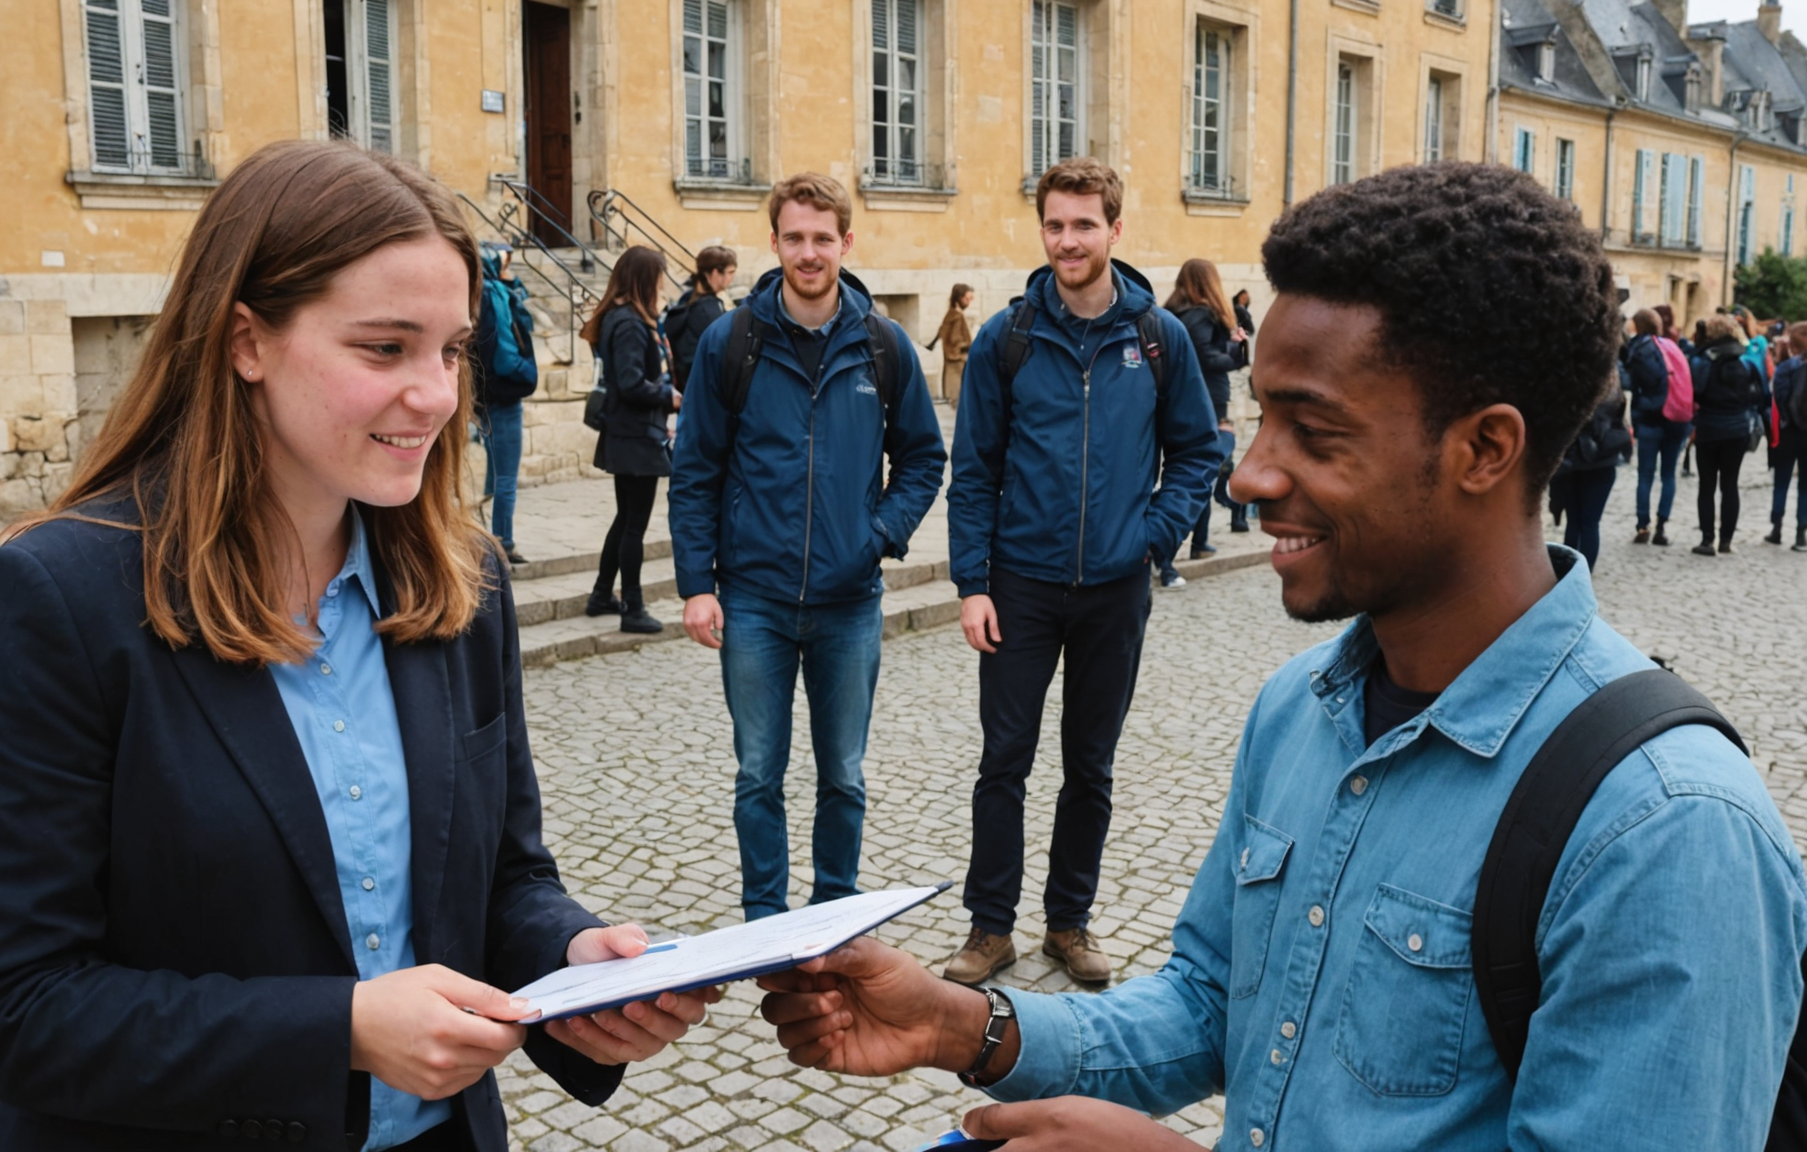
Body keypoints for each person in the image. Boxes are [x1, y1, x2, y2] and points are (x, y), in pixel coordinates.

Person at [757, 162, 1806, 1151]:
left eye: (1313, 430)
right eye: (1261, 417)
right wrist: (962, 1026)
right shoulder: (1299, 709)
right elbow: (1213, 1001)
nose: (1250, 475)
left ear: (1485, 449)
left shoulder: (1667, 831)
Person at [0, 141, 718, 1152]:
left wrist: (573, 964)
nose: (435, 394)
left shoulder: (461, 583)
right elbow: (12, 1007)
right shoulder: (55, 602)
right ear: (245, 340)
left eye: (449, 349)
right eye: (384, 349)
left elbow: (501, 879)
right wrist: (340, 1030)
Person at [943, 158, 1221, 985]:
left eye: (1084, 224)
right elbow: (974, 472)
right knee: (1005, 761)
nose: (1069, 240)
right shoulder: (1009, 337)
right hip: (1021, 586)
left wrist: (1152, 538)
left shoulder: (1156, 338)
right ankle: (989, 927)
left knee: (1089, 766)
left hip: (1115, 589)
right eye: (1056, 225)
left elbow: (1199, 450)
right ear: (1043, 231)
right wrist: (972, 584)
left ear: (1114, 230)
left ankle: (1070, 922)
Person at [670, 172, 948, 921]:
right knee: (758, 773)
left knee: (844, 775)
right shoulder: (733, 343)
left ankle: (833, 913)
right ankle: (765, 917)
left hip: (849, 601)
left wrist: (879, 535)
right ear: (775, 243)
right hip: (753, 599)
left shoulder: (882, 345)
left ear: (846, 243)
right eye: (794, 237)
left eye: (823, 238)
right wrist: (697, 584)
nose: (809, 252)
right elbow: (694, 468)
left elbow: (924, 457)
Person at [583, 247, 681, 633]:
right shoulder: (629, 323)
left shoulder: (627, 317)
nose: (662, 284)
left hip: (631, 433)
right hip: (635, 436)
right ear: (643, 278)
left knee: (625, 519)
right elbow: (630, 382)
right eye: (657, 277)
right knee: (634, 524)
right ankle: (633, 608)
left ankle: (601, 594)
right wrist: (669, 396)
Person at [1163, 258, 1248, 568]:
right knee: (1204, 470)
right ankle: (1171, 549)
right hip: (1207, 400)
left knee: (1200, 472)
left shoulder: (1172, 313)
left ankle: (1198, 543)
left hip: (1181, 399)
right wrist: (1236, 351)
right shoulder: (1201, 315)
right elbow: (1206, 357)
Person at [470, 244, 537, 564]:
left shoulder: (474, 293)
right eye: (507, 263)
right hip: (504, 396)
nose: (511, 270)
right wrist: (528, 374)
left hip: (481, 396)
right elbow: (508, 356)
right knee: (506, 477)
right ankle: (503, 543)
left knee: (494, 472)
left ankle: (487, 539)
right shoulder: (495, 296)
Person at [1689, 312, 1767, 556]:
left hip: (1709, 427)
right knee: (1730, 484)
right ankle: (1726, 541)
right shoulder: (1747, 360)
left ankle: (1706, 539)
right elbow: (1761, 394)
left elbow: (1695, 392)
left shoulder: (1703, 361)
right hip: (1737, 428)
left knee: (1707, 485)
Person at [1546, 373, 1629, 568]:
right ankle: (1584, 573)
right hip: (1603, 460)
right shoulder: (1613, 388)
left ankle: (1570, 573)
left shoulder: (1573, 385)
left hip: (1576, 461)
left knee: (1574, 521)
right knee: (1590, 523)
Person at [1623, 307, 1689, 546]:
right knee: (1668, 475)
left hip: (1650, 419)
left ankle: (1643, 525)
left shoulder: (1639, 349)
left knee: (1645, 475)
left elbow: (1631, 382)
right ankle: (1662, 527)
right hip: (1676, 419)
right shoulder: (1671, 346)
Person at [663, 245, 738, 392]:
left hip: (688, 384)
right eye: (730, 272)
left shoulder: (688, 298)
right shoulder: (708, 310)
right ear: (716, 273)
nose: (732, 277)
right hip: (704, 387)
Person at [1771, 324, 1807, 550]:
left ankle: (1776, 527)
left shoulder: (1786, 368)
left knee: (1781, 481)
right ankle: (1801, 533)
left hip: (1788, 431)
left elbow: (1779, 398)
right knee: (1805, 486)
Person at [930, 283, 976, 405]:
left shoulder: (951, 314)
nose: (969, 302)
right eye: (967, 299)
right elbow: (955, 340)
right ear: (959, 298)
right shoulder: (956, 316)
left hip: (956, 360)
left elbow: (942, 332)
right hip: (957, 362)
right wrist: (965, 349)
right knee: (959, 399)